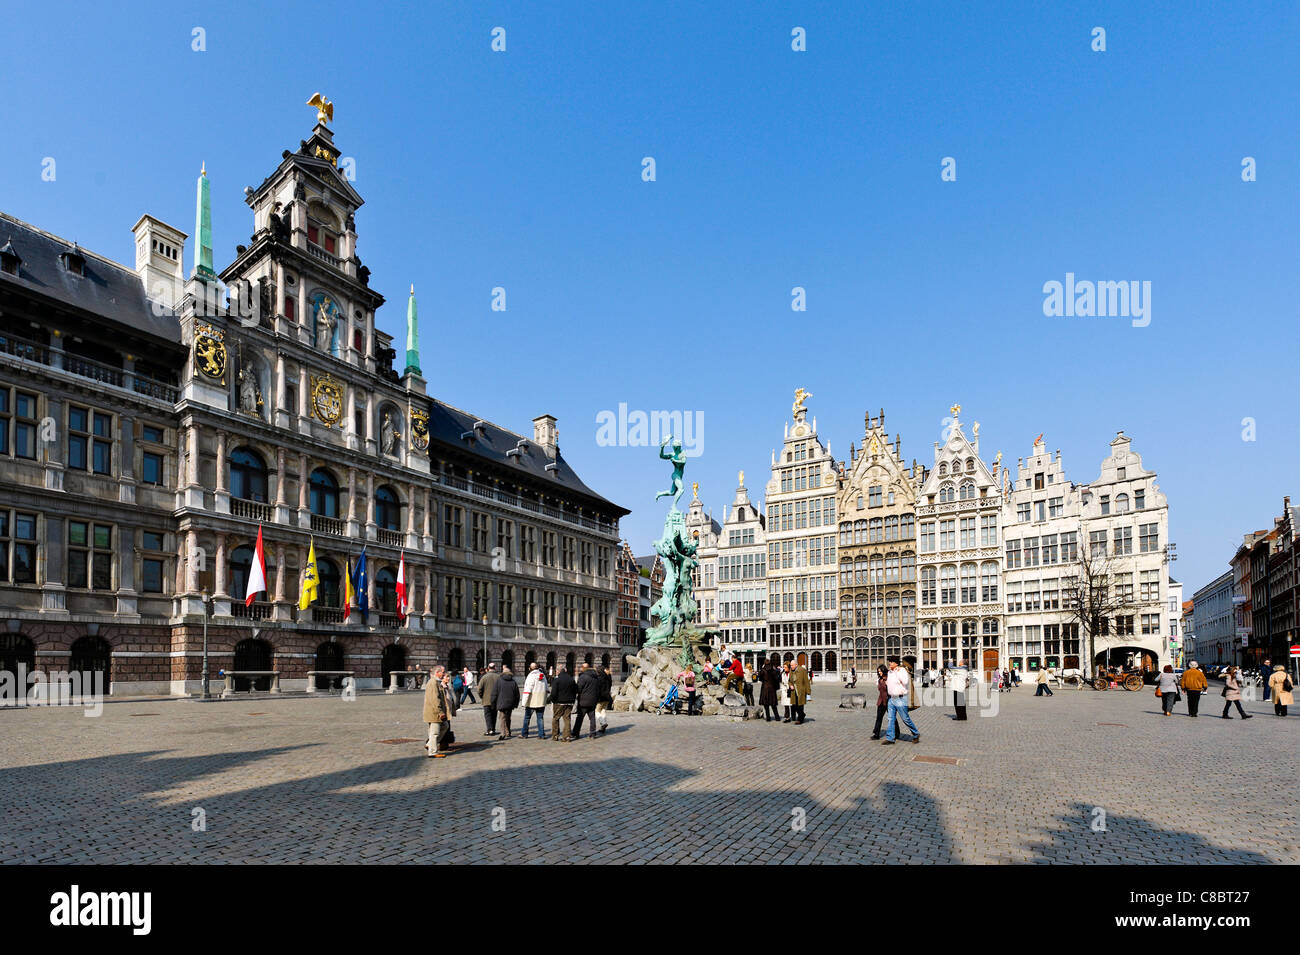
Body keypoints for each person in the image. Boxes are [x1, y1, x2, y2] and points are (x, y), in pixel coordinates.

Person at [882, 657, 920, 744]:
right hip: (891, 699)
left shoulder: (902, 671)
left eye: (891, 662)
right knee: (891, 719)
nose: (890, 663)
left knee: (905, 719)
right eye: (889, 662)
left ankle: (916, 733)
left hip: (900, 698)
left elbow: (905, 681)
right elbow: (889, 683)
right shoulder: (889, 672)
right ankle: (890, 738)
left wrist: (897, 672)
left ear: (896, 663)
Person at [423, 665, 454, 757]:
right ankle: (433, 752)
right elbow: (435, 700)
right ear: (437, 673)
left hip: (436, 712)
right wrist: (440, 712)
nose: (444, 674)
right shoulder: (433, 683)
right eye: (443, 672)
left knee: (445, 726)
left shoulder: (436, 682)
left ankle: (430, 745)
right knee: (435, 732)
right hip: (434, 713)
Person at [573, 662, 602, 739]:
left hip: (583, 701)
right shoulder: (596, 677)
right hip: (593, 701)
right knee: (592, 718)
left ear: (583, 668)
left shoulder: (583, 677)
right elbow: (598, 689)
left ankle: (576, 733)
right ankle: (592, 733)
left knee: (579, 717)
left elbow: (578, 688)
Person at [520, 663, 548, 739]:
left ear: (530, 668)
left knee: (527, 718)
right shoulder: (543, 675)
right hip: (541, 701)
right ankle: (541, 735)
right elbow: (547, 688)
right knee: (540, 718)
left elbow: (527, 690)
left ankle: (524, 734)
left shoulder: (531, 676)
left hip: (531, 702)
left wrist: (523, 702)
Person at [492, 666, 521, 738]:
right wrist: (515, 704)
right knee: (508, 718)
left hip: (501, 703)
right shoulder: (513, 682)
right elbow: (517, 695)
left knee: (502, 718)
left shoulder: (499, 681)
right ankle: (508, 732)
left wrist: (493, 703)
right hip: (510, 703)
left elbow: (494, 693)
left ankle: (503, 733)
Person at [550, 664, 577, 741]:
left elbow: (554, 693)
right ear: (565, 670)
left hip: (559, 702)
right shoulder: (571, 679)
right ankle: (566, 736)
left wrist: (553, 700)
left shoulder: (557, 680)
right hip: (569, 702)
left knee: (556, 718)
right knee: (567, 718)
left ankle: (555, 736)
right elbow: (576, 690)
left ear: (558, 671)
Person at [478, 663, 500, 737]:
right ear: (495, 667)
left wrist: (482, 696)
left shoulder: (484, 677)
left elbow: (479, 689)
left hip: (486, 700)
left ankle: (489, 729)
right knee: (494, 715)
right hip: (496, 700)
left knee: (488, 715)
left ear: (488, 668)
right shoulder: (498, 677)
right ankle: (493, 729)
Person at [758, 657, 781, 722]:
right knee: (773, 704)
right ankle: (777, 717)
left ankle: (768, 717)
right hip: (772, 687)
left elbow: (759, 677)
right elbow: (777, 679)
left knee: (766, 704)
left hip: (765, 687)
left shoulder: (763, 670)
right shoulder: (773, 670)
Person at [870, 664, 889, 740]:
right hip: (881, 701)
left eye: (880, 671)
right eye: (878, 672)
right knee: (879, 718)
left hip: (888, 701)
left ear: (884, 671)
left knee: (892, 718)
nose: (879, 673)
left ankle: (897, 733)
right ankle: (876, 734)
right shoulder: (879, 680)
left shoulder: (888, 679)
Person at [789, 658, 811, 725]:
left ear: (796, 665)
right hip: (793, 691)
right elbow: (789, 681)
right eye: (790, 665)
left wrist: (808, 692)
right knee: (794, 705)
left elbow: (806, 681)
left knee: (800, 705)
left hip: (801, 690)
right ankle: (802, 714)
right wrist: (790, 685)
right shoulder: (791, 671)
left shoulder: (802, 670)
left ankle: (800, 719)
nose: (791, 667)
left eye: (792, 665)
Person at [595, 664, 614, 735]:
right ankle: (603, 727)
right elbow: (610, 685)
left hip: (600, 697)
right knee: (603, 711)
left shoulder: (598, 678)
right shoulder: (608, 677)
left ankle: (603, 723)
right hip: (607, 696)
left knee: (597, 711)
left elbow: (597, 689)